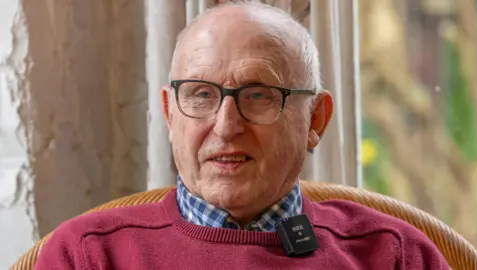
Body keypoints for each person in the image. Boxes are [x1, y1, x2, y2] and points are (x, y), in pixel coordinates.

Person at [34, 2, 449, 269]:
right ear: (169, 114)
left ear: (316, 120)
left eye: (258, 95)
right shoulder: (88, 255)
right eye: (200, 95)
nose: (226, 125)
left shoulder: (393, 254)